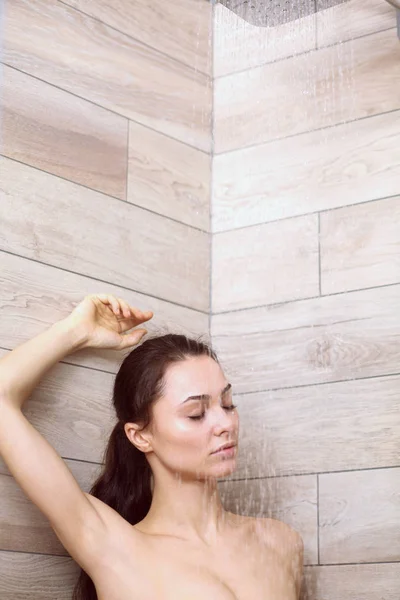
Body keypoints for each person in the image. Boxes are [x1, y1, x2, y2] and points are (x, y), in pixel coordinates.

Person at [0, 293, 304, 599]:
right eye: (196, 414)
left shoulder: (279, 542)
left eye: (227, 404)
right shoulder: (115, 549)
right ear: (140, 436)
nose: (225, 424)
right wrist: (75, 332)